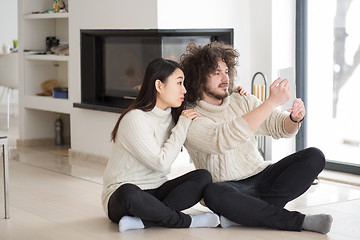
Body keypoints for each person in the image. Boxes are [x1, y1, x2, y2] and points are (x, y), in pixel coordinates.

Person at [180, 42, 333, 234]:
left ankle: (246, 216)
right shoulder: (189, 117)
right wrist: (271, 102)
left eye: (227, 71)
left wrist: (294, 118)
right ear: (199, 78)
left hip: (262, 175)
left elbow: (279, 126)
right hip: (228, 188)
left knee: (314, 156)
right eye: (216, 72)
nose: (225, 77)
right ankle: (297, 221)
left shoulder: (241, 100)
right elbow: (222, 140)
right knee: (212, 192)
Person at [102, 58, 220, 232]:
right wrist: (182, 125)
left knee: (202, 177)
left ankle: (146, 221)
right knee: (129, 192)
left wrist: (236, 96)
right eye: (179, 83)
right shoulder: (135, 118)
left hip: (157, 191)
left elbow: (207, 108)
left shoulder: (174, 116)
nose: (184, 90)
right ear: (159, 85)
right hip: (123, 197)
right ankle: (185, 221)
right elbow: (161, 163)